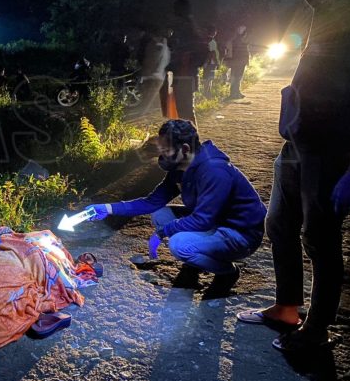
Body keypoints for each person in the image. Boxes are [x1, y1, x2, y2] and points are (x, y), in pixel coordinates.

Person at [236, 0, 350, 352]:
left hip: (333, 154)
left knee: (320, 238)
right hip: (297, 144)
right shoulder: (327, 9)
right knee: (279, 224)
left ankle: (317, 330)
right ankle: (286, 308)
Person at [87, 119, 267, 297]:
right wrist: (107, 208)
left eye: (166, 151)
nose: (162, 156)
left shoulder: (215, 171)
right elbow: (152, 202)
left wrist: (161, 233)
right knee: (160, 214)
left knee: (179, 244)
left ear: (185, 149)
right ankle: (196, 259)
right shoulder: (180, 168)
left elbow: (202, 220)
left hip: (240, 233)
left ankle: (227, 272)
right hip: (215, 221)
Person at [164, 0, 204, 125]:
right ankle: (189, 134)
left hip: (184, 75)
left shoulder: (184, 30)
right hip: (185, 74)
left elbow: (179, 52)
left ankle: (190, 135)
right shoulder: (190, 29)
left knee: (184, 111)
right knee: (184, 110)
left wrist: (177, 63)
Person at [139, 27, 172, 113]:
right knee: (153, 97)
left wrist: (147, 72)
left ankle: (144, 113)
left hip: (152, 75)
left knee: (148, 97)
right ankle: (150, 112)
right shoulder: (166, 48)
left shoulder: (156, 47)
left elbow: (151, 60)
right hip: (159, 75)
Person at [225, 25, 250, 99]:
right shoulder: (242, 41)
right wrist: (247, 60)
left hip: (234, 62)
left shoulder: (234, 40)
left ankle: (235, 92)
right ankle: (235, 93)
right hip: (240, 62)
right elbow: (245, 52)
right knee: (238, 77)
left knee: (234, 77)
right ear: (243, 33)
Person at [203, 26, 220, 98]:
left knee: (207, 78)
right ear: (214, 33)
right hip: (211, 62)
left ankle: (207, 93)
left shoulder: (205, 40)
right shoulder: (212, 41)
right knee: (209, 78)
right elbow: (212, 53)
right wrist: (217, 62)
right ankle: (207, 94)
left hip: (206, 62)